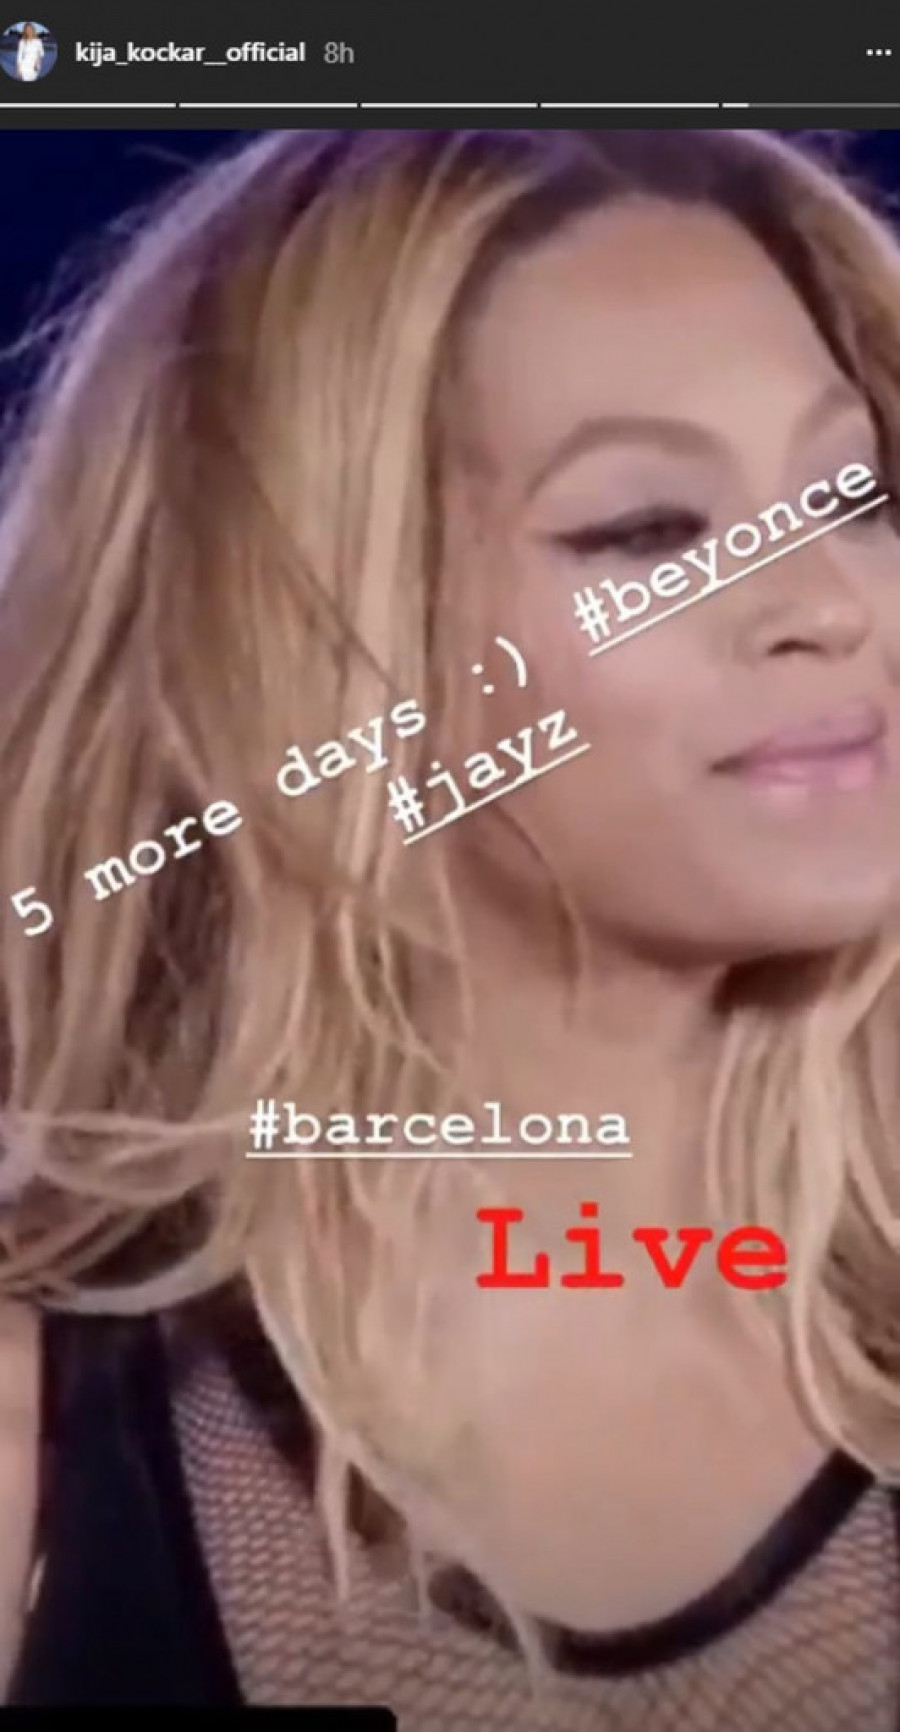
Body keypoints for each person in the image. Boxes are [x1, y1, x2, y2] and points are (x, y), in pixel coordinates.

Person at [0, 128, 898, 1727]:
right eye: (650, 529)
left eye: (850, 494)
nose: (833, 604)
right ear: (313, 635)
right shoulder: (44, 1447)